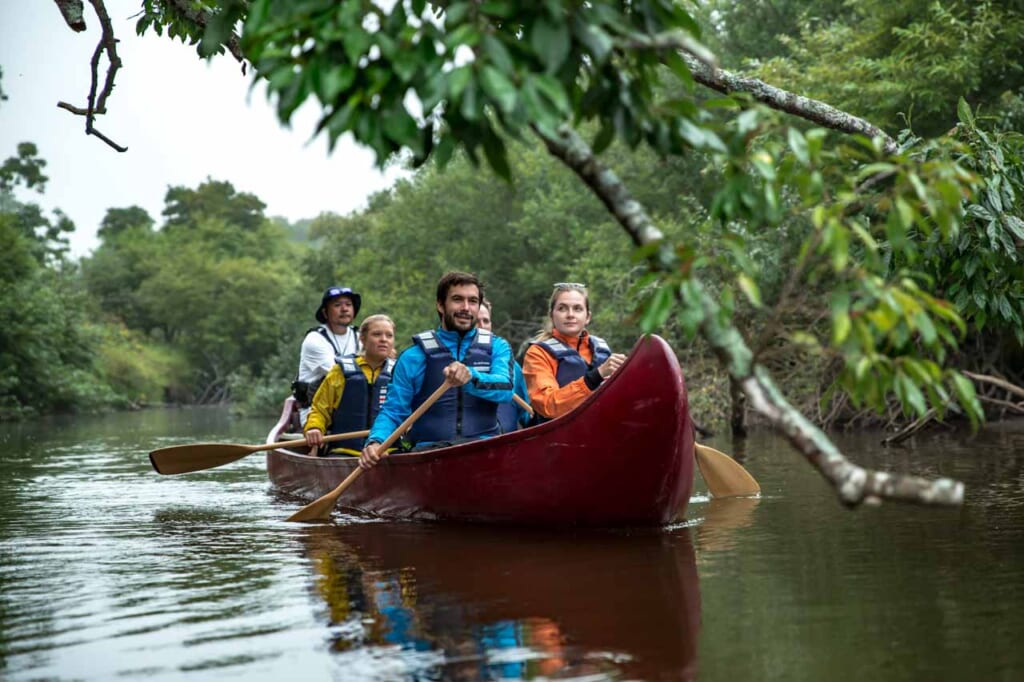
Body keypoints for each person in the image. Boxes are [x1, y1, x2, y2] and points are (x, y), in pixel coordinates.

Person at [359, 272, 515, 469]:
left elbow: (506, 389)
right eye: (457, 300)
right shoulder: (413, 357)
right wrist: (376, 441)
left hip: (484, 449)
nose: (466, 308)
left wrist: (471, 378)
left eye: (472, 301)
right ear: (440, 305)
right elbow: (393, 411)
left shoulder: (498, 347)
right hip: (430, 454)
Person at [522, 282, 628, 420]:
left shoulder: (602, 349)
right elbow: (548, 405)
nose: (570, 315)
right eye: (562, 308)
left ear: (588, 317)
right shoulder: (538, 353)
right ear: (552, 315)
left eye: (577, 309)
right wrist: (596, 376)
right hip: (559, 437)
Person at [303, 315, 397, 456]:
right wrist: (314, 428)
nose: (384, 339)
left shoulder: (399, 371)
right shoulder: (340, 371)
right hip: (346, 452)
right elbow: (320, 409)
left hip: (389, 452)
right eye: (377, 334)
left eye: (389, 335)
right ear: (363, 339)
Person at [293, 285, 363, 425]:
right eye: (337, 305)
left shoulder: (360, 337)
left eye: (348, 305)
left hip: (353, 410)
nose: (344, 309)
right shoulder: (315, 340)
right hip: (316, 412)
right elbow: (341, 376)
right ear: (325, 313)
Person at [478, 299, 531, 432]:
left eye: (486, 321)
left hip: (507, 446)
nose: (481, 326)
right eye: (475, 321)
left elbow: (526, 416)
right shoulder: (453, 366)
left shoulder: (512, 366)